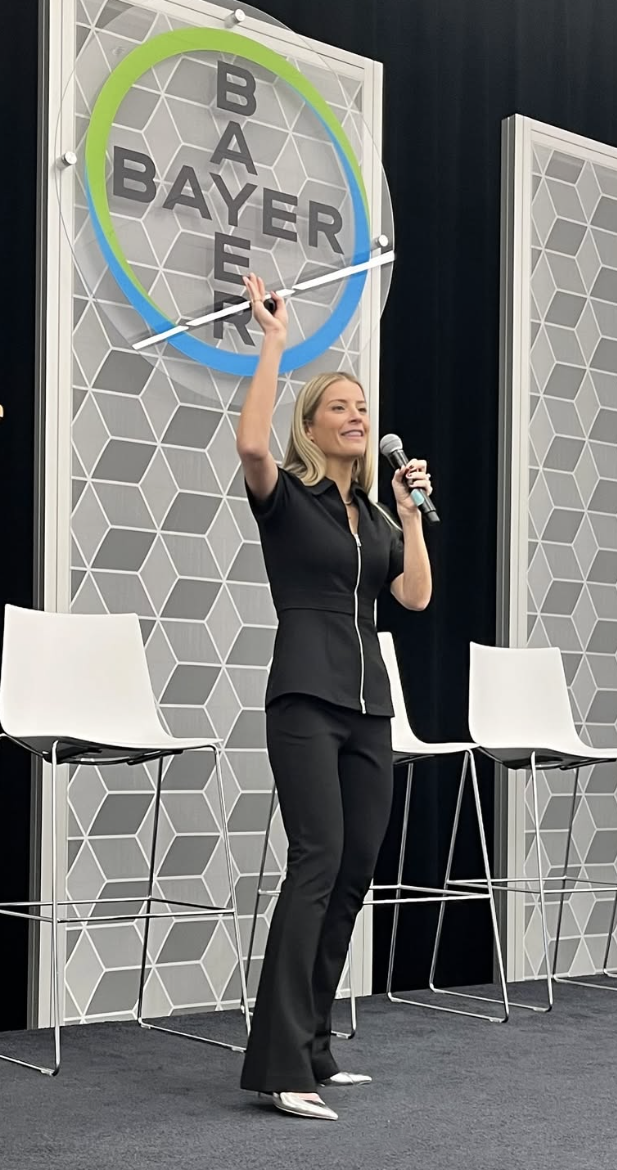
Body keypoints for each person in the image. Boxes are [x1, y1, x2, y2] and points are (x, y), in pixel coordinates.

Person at [236, 273, 433, 1121]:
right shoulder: (289, 497)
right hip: (306, 701)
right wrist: (274, 345)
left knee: (354, 873)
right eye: (341, 409)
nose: (358, 417)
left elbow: (416, 598)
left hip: (370, 709)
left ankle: (316, 1041)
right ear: (313, 426)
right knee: (317, 861)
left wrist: (411, 511)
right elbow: (249, 448)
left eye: (363, 408)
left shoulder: (377, 522)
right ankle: (282, 1066)